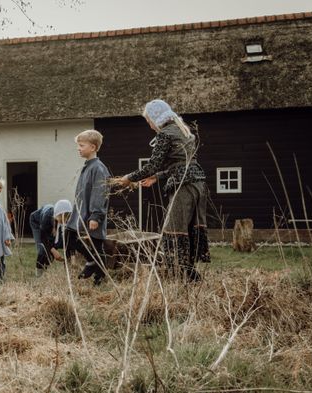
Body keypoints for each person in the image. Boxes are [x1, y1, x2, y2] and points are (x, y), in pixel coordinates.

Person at [111, 99, 210, 282]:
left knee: (173, 230)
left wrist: (129, 178)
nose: (149, 125)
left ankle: (181, 276)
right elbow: (182, 164)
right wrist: (158, 177)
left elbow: (152, 165)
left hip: (184, 185)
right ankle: (189, 275)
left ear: (156, 117)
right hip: (198, 183)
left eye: (149, 120)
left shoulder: (165, 134)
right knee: (187, 228)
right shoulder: (184, 130)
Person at [66, 130, 111, 286]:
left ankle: (99, 279)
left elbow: (100, 192)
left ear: (93, 147)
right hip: (81, 212)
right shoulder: (88, 166)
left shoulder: (98, 168)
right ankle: (92, 263)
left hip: (92, 214)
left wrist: (96, 215)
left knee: (97, 244)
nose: (78, 148)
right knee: (69, 237)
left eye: (81, 145)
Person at [29, 199, 73, 277]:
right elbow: (43, 238)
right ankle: (39, 274)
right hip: (36, 222)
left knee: (53, 244)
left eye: (67, 218)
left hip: (52, 221)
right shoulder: (48, 217)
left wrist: (68, 258)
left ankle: (46, 266)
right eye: (63, 218)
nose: (65, 221)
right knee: (42, 248)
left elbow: (66, 242)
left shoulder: (64, 219)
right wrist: (54, 251)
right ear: (58, 215)